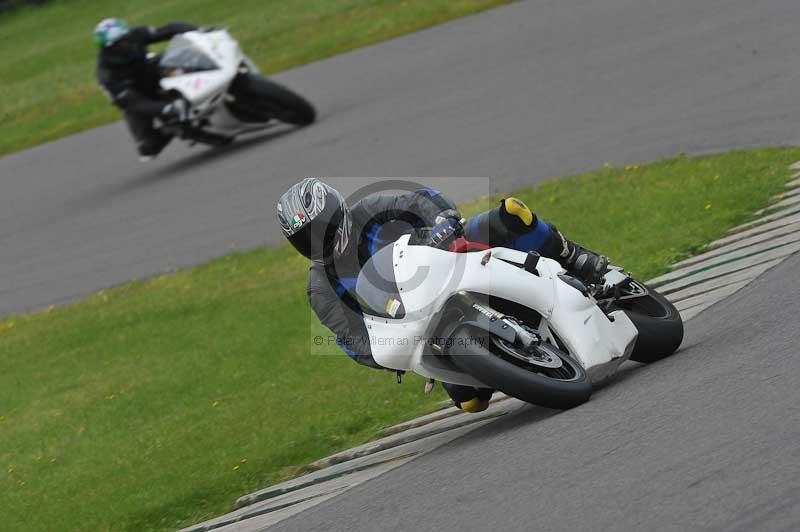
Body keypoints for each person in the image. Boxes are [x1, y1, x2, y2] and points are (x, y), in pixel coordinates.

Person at [276, 179, 608, 413]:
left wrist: (442, 219)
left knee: (511, 214)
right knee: (470, 402)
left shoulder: (371, 210)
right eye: (304, 238)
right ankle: (516, 358)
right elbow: (351, 338)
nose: (315, 241)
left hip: (452, 259)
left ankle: (578, 259)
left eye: (319, 228)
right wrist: (387, 355)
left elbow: (421, 199)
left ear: (337, 213)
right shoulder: (321, 288)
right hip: (424, 326)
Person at [94, 18, 197, 161]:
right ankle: (172, 128)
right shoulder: (106, 74)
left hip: (150, 74)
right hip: (136, 99)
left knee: (175, 55)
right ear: (109, 48)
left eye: (126, 38)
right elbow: (134, 103)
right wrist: (167, 108)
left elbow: (167, 30)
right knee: (148, 149)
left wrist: (197, 32)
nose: (127, 44)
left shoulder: (136, 34)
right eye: (120, 43)